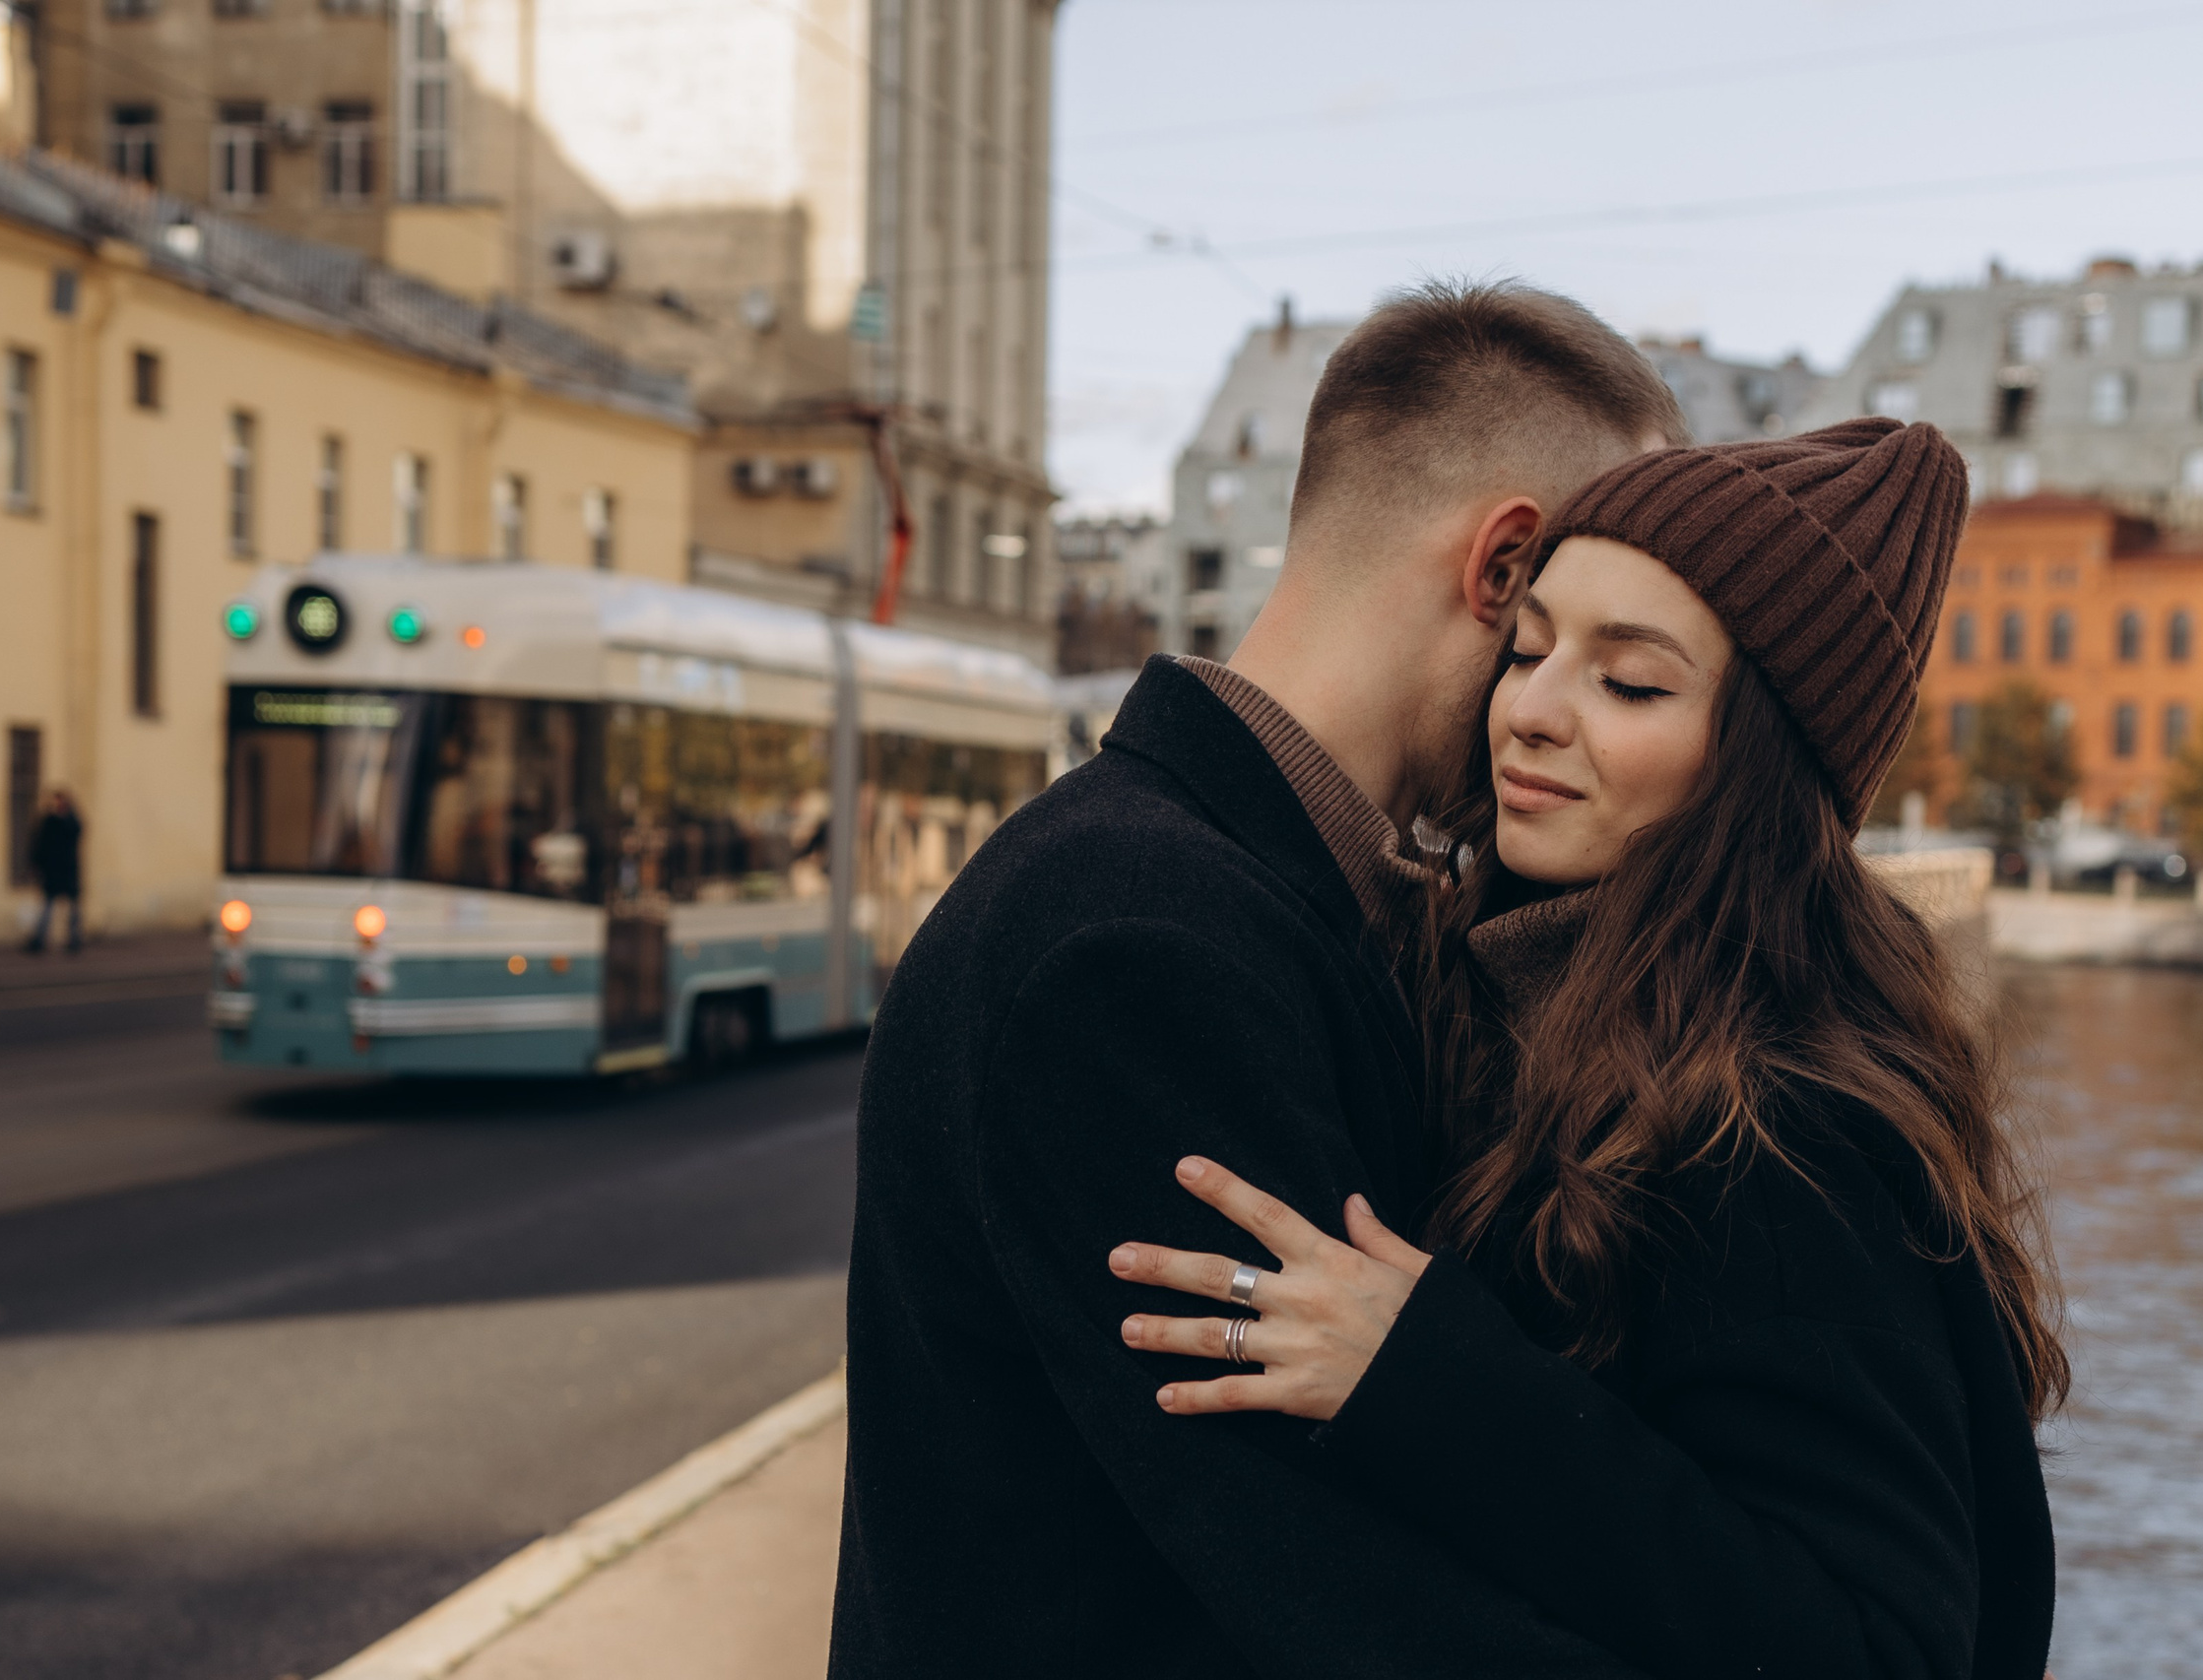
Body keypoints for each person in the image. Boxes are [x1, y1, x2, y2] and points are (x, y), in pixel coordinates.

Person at [1107, 419, 2063, 1680]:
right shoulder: (1511, 1009)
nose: (1532, 712)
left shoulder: (1778, 1126)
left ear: (1757, 770)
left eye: (1631, 683)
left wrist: (1432, 1381)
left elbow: (1882, 1645)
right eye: (1529, 646)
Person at [831, 281, 1686, 1676]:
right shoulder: (1136, 942)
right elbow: (1331, 1579)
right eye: (1578, 631)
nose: (1562, 711)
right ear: (1504, 567)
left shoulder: (1209, 884)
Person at [26, 789, 84, 953]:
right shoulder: (49, 822)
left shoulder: (71, 821)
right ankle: (39, 940)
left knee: (73, 909)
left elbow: (77, 832)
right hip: (52, 872)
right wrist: (36, 866)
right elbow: (39, 846)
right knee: (47, 907)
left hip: (68, 871)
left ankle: (74, 940)